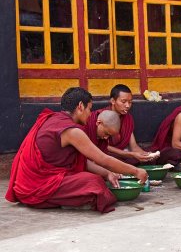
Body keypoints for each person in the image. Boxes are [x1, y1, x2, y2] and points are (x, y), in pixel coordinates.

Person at [5, 87, 148, 213]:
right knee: (94, 183)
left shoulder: (53, 119)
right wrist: (136, 171)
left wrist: (107, 173)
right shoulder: (72, 131)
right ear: (80, 106)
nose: (90, 114)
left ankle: (63, 198)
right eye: (89, 109)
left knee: (94, 179)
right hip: (38, 184)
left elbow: (80, 161)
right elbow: (103, 159)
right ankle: (65, 200)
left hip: (30, 182)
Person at [89, 84, 156, 165]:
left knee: (147, 161)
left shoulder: (128, 119)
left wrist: (146, 155)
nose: (127, 106)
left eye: (130, 102)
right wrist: (130, 154)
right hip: (105, 154)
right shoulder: (100, 116)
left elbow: (133, 146)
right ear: (113, 101)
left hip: (121, 155)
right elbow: (100, 146)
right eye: (123, 102)